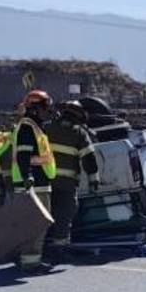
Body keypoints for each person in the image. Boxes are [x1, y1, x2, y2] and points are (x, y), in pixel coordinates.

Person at [43, 100, 100, 262]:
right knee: (64, 215)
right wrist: (93, 180)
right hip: (67, 184)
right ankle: (59, 250)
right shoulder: (79, 132)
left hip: (45, 181)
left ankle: (38, 246)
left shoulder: (47, 128)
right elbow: (89, 157)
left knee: (43, 213)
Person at [10, 90, 58, 272]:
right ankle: (31, 262)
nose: (48, 112)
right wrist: (28, 177)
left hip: (39, 182)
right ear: (35, 109)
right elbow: (23, 156)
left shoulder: (35, 127)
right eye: (46, 108)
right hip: (33, 185)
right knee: (37, 223)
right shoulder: (27, 128)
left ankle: (25, 257)